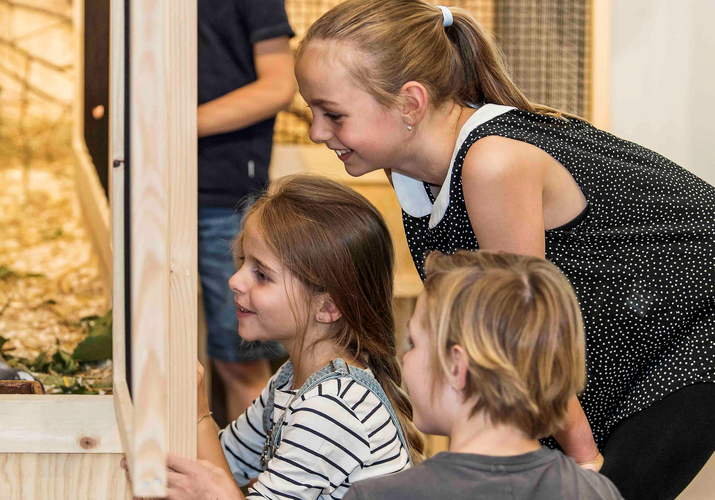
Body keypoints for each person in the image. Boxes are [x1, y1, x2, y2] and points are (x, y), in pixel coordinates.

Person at [293, 1, 715, 498]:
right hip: (625, 324)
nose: (317, 132)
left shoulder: (492, 163)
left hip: (691, 327)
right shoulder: (410, 170)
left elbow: (523, 336)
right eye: (312, 112)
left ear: (410, 103)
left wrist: (586, 463)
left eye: (333, 114)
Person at [164, 175, 426, 500]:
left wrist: (198, 415)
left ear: (328, 306)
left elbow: (214, 481)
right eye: (243, 261)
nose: (235, 280)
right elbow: (223, 461)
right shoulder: (290, 380)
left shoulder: (331, 406)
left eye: (262, 274)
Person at [345, 251, 623, 500]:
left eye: (414, 343)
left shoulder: (378, 496)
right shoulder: (596, 492)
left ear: (457, 366)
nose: (405, 358)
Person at [198, 0, 297, 422]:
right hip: (158, 192)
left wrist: (180, 124)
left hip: (227, 197)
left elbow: (278, 85)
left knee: (240, 359)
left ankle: (266, 465)